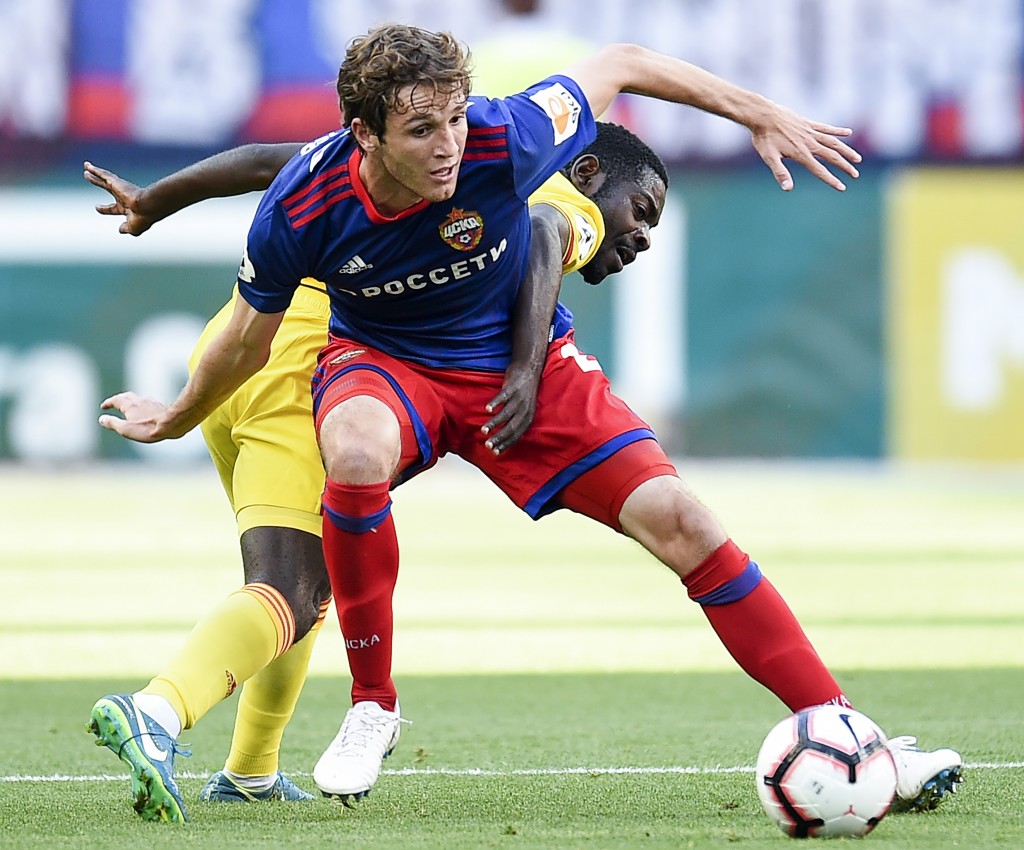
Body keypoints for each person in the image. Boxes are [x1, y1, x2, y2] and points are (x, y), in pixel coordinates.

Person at [91, 22, 961, 821]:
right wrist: (173, 415)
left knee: (685, 521)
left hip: (522, 361)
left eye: (454, 121)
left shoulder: (507, 134)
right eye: (422, 130)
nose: (448, 147)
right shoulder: (306, 200)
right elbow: (245, 333)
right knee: (352, 452)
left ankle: (847, 732)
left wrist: (760, 113)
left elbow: (622, 66)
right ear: (365, 136)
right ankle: (371, 707)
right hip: (388, 361)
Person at [83, 120, 672, 820]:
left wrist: (159, 198)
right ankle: (158, 709)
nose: (641, 237)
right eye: (640, 213)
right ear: (592, 172)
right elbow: (547, 228)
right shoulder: (544, 186)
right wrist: (526, 366)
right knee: (289, 589)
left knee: (309, 574)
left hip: (236, 351)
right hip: (307, 368)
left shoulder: (396, 160)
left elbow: (275, 160)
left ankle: (251, 770)